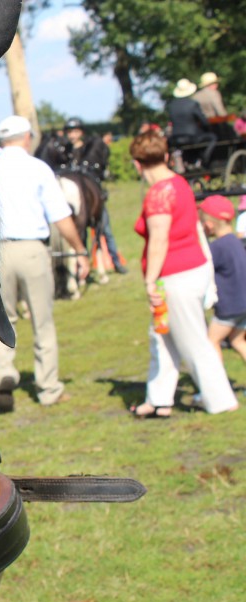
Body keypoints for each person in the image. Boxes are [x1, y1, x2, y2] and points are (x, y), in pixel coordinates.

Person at [127, 129, 238, 417]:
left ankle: (221, 400)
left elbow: (160, 239)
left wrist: (151, 281)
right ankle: (159, 399)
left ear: (137, 164)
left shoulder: (159, 194)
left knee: (193, 341)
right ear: (165, 156)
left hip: (176, 276)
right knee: (162, 336)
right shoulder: (180, 183)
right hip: (193, 270)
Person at [0, 115, 90, 412]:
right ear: (27, 137)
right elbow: (60, 216)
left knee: (2, 320)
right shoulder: (38, 168)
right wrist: (80, 250)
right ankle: (48, 387)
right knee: (42, 322)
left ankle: (5, 373)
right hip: (32, 249)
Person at [59, 117, 127, 274]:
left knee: (106, 230)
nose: (72, 135)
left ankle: (116, 262)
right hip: (76, 200)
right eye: (70, 132)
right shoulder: (66, 152)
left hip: (93, 197)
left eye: (75, 131)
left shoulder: (88, 149)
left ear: (81, 132)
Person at [199, 195, 246, 366]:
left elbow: (202, 268)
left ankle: (219, 386)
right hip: (244, 304)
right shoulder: (236, 241)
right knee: (237, 341)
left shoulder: (216, 248)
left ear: (209, 225)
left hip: (230, 308)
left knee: (211, 341)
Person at [167, 78, 217, 169]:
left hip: (175, 139)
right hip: (192, 137)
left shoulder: (171, 105)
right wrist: (208, 128)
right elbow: (204, 121)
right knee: (212, 137)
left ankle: (191, 162)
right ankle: (205, 159)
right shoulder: (192, 104)